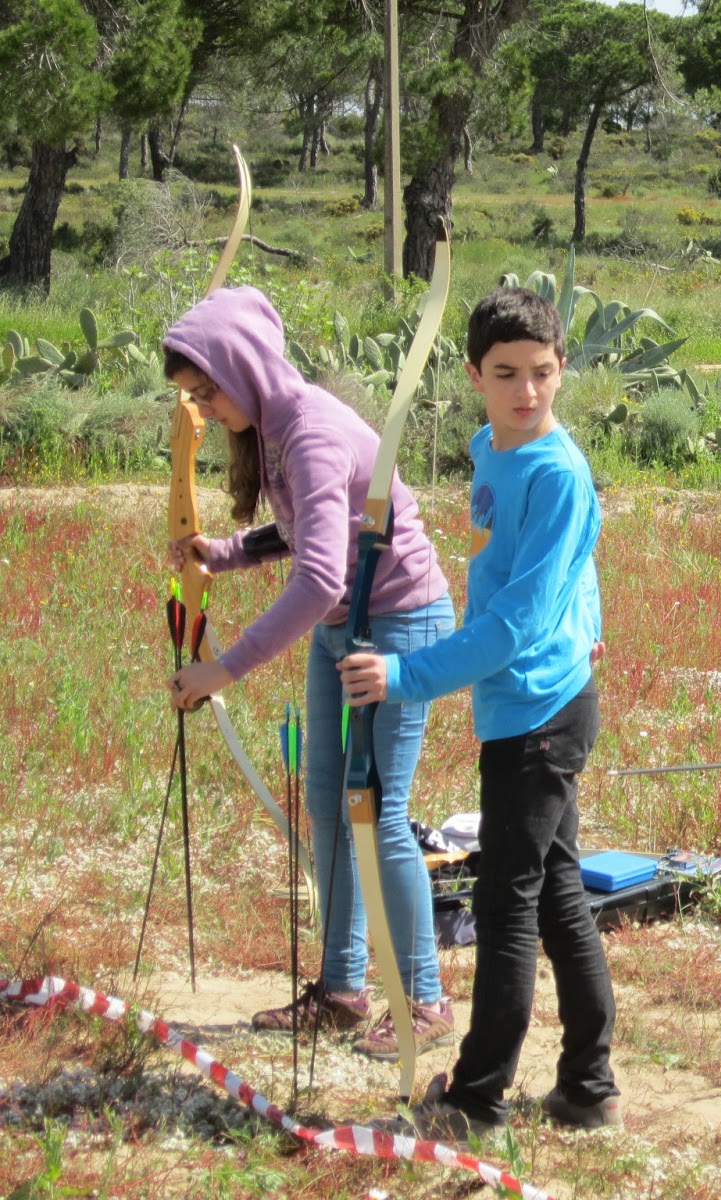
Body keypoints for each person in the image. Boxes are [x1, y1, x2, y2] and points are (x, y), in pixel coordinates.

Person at [338, 287, 620, 1140]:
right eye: (505, 375)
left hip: (540, 712)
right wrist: (587, 625)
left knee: (504, 910)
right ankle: (589, 1088)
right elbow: (562, 569)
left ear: (561, 368)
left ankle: (477, 1100)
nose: (526, 391)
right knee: (557, 894)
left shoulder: (558, 473)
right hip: (527, 701)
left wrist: (405, 674)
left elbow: (513, 624)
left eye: (541, 372)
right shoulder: (489, 450)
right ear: (474, 377)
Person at [162, 286, 457, 1060]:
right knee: (329, 804)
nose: (204, 410)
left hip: (395, 626)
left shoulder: (310, 431)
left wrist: (223, 669)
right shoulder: (274, 425)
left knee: (377, 811)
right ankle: (342, 989)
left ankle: (424, 999)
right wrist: (225, 553)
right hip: (343, 628)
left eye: (207, 392)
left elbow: (322, 577)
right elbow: (308, 529)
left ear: (242, 367)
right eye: (193, 399)